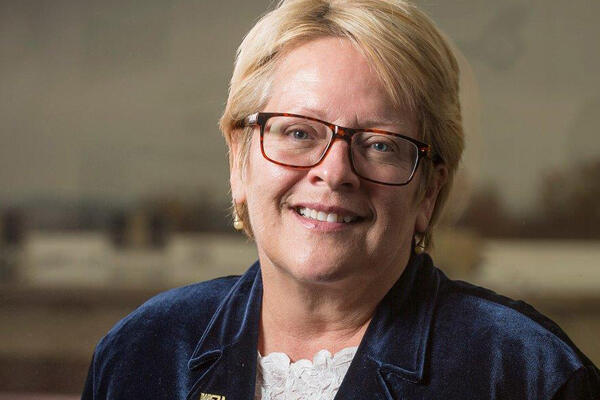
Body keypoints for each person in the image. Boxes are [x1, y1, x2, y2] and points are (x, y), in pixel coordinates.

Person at [82, 0, 600, 399]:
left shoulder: (528, 372)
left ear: (429, 191)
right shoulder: (143, 350)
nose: (333, 173)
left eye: (379, 144)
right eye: (298, 133)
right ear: (240, 160)